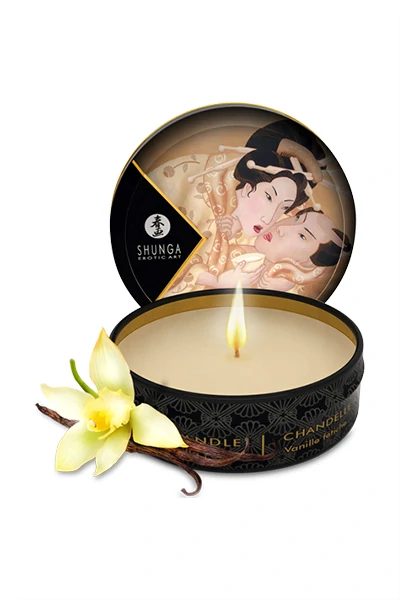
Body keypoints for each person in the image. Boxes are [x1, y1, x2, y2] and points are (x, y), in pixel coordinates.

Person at [197, 208, 351, 291]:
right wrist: (218, 282)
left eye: (302, 236)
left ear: (308, 262)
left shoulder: (276, 282)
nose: (282, 228)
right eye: (297, 219)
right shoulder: (243, 249)